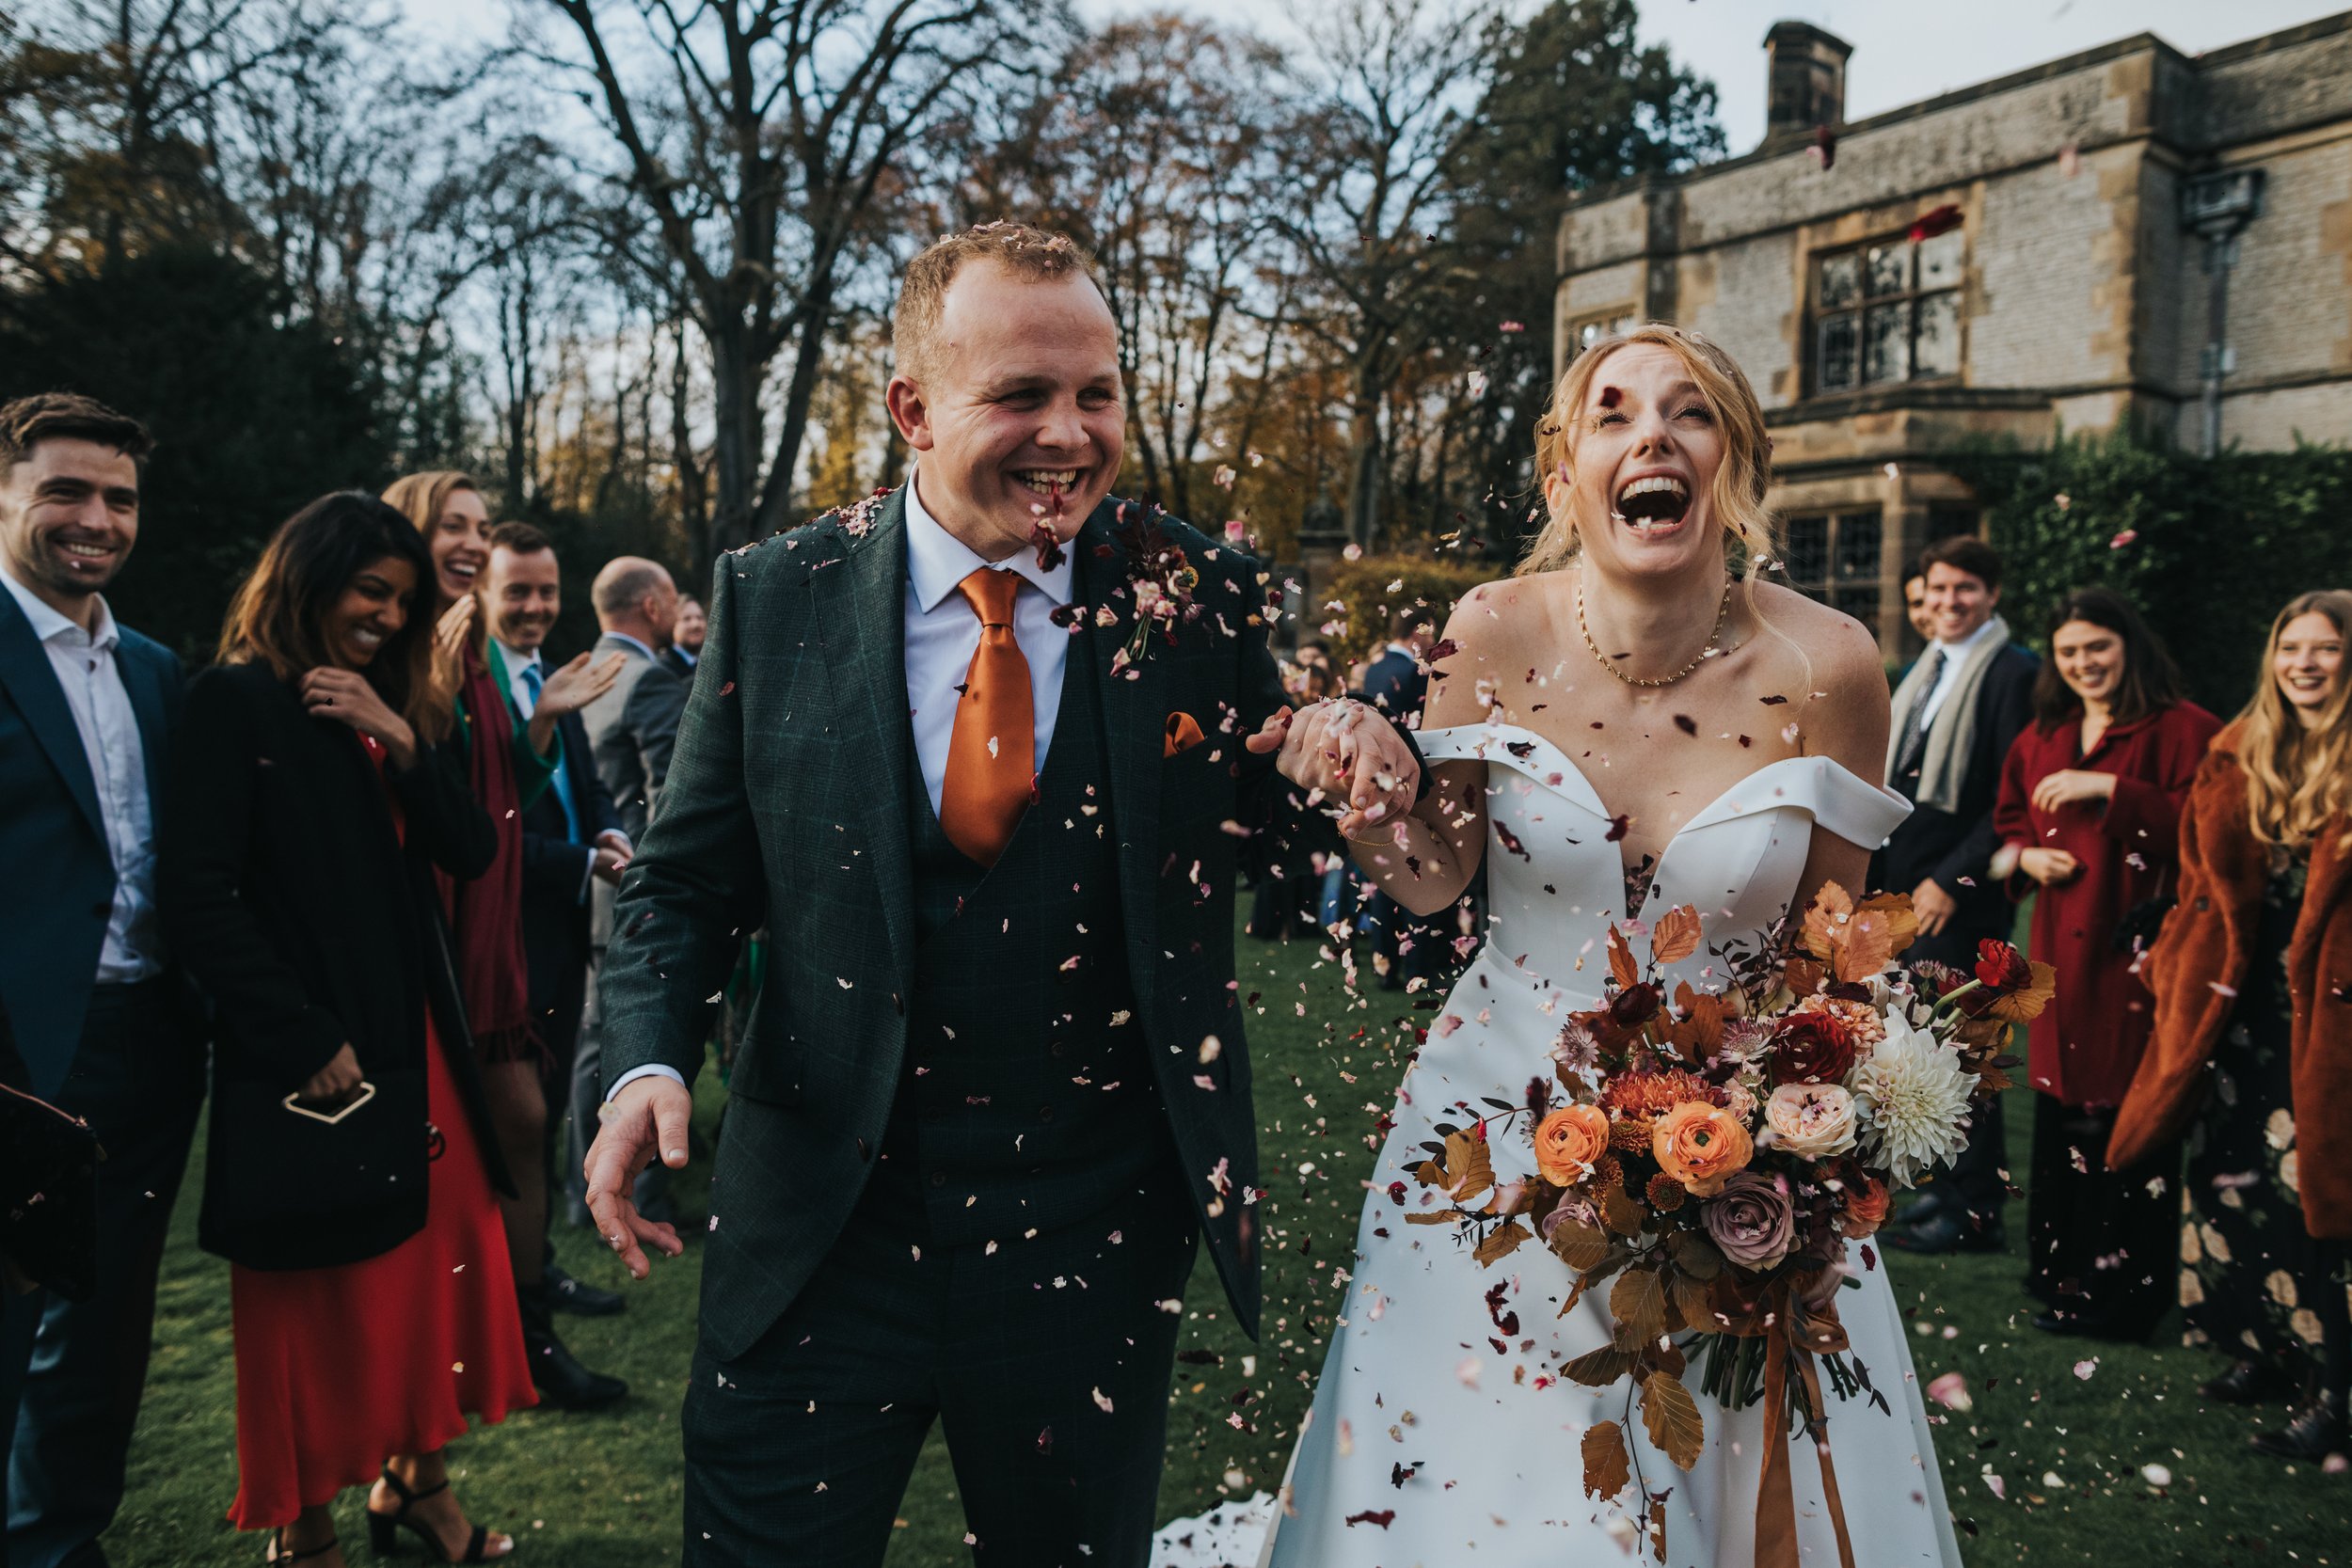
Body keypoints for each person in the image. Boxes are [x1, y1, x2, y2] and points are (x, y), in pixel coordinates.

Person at [579, 220, 1419, 1568]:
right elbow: (680, 884)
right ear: (912, 406)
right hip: (819, 1236)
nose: (1071, 433)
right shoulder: (773, 594)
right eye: (1022, 394)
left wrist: (1352, 744)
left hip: (1086, 1240)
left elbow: (1293, 826)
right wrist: (642, 1067)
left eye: (1098, 392)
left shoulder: (1191, 590)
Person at [1245, 323, 1959, 1566]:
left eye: (1690, 413)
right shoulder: (1493, 628)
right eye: (1616, 412)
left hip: (1722, 1158)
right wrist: (1368, 807)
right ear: (1567, 469)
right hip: (1488, 1130)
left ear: (1731, 461)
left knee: (1691, 1482)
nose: (1654, 435)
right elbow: (1432, 879)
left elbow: (1831, 958)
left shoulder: (1829, 662)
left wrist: (1795, 1143)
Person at [157, 492, 533, 1566]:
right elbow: (196, 897)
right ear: (309, 577)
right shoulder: (231, 702)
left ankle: (418, 1486)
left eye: (402, 599)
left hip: (418, 1049)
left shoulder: (391, 702)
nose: (385, 612)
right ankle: (305, 1528)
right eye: (371, 589)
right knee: (315, 1298)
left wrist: (401, 736)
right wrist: (296, 1033)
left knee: (429, 1276)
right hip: (311, 1060)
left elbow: (469, 849)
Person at [0, 394, 205, 1568]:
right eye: (66, 490)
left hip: (145, 1049)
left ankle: (59, 1543)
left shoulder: (155, 668)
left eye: (119, 497)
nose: (96, 518)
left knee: (101, 1340)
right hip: (15, 1058)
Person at [381, 471, 622, 1415]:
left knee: (523, 1124)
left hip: (511, 933)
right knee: (502, 1133)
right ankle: (501, 1343)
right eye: (455, 528)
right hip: (451, 935)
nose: (473, 545)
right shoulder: (426, 654)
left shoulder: (473, 665)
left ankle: (518, 1330)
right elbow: (461, 816)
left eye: (480, 527)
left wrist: (547, 719)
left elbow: (499, 787)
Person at [2111, 589, 2352, 1461]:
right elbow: (2193, 881)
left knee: (2318, 1199)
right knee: (2233, 1178)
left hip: (2327, 1022)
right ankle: (2264, 1348)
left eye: (2326, 649)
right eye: (2293, 647)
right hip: (2233, 1008)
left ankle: (2336, 1389)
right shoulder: (2239, 754)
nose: (2306, 664)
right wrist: (2176, 952)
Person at [1990, 589, 2218, 1339]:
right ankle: (2060, 1274)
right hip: (2060, 959)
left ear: (2129, 645)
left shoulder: (2184, 730)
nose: (2085, 663)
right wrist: (2026, 854)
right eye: (2069, 652)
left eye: (2099, 647)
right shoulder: (2044, 734)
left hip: (2136, 955)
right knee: (2060, 1119)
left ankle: (2125, 1296)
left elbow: (2211, 827)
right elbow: (2011, 820)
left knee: (2128, 1118)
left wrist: (2114, 790)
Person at [480, 522, 635, 1399]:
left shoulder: (550, 672)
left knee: (531, 1128)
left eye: (546, 591)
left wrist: (607, 825)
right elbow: (482, 826)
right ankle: (521, 1318)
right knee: (518, 1125)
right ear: (482, 592)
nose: (536, 606)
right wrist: (580, 861)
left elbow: (585, 777)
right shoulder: (474, 686)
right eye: (518, 591)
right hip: (504, 935)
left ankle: (535, 1269)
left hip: (559, 923)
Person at [1874, 535, 2038, 1255]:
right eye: (1937, 590)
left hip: (1961, 893)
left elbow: (2012, 796)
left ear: (1992, 594)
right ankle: (1941, 1189)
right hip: (1910, 888)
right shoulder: (1926, 670)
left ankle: (1976, 1210)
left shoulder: (2013, 672)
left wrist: (1948, 880)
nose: (1948, 602)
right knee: (1923, 1048)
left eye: (1964, 590)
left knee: (1968, 1051)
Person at [565, 557, 691, 1227]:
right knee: (625, 1044)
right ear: (650, 605)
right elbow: (676, 798)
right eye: (671, 600)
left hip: (586, 884)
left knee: (591, 1044)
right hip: (636, 891)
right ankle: (636, 1193)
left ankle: (581, 1192)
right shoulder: (646, 680)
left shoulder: (580, 675)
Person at [1358, 606, 1447, 990]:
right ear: (1418, 631)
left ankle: (1384, 965)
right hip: (1414, 783)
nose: (1433, 642)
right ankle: (1418, 968)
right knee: (1418, 871)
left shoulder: (1374, 668)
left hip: (1377, 785)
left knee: (1384, 874)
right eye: (1432, 633)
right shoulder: (1414, 673)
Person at [664, 594, 706, 682]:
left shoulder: (710, 663)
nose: (696, 624)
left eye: (700, 618)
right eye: (686, 619)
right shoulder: (664, 668)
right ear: (673, 624)